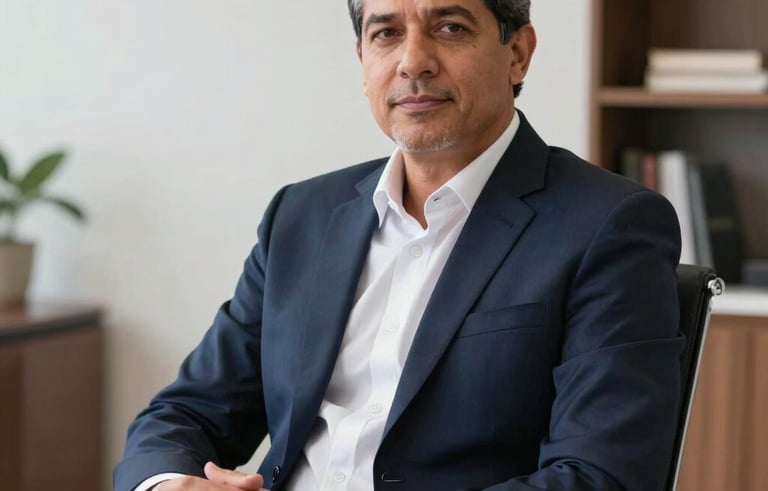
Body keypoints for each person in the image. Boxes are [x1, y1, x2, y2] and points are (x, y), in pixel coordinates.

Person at [115, 0, 685, 490]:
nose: (413, 62)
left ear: (519, 53)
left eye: (450, 27)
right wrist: (168, 481)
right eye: (386, 32)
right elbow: (188, 411)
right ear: (363, 61)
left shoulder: (609, 225)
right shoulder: (302, 215)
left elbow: (600, 473)